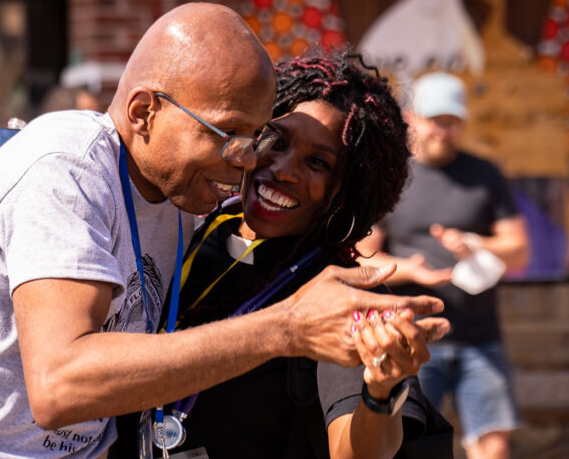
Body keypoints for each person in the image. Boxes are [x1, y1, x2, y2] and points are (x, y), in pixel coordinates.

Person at [0, 3, 445, 459]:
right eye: (243, 136)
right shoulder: (70, 172)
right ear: (143, 112)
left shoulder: (192, 202)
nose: (251, 161)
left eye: (318, 163)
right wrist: (284, 328)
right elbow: (59, 385)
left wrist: (381, 391)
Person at [111, 54, 452, 459]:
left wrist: (381, 392)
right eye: (276, 140)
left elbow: (354, 452)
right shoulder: (190, 228)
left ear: (344, 191)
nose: (284, 169)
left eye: (317, 162)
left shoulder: (338, 292)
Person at [358, 72, 529, 459]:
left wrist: (474, 243)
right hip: (411, 337)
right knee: (411, 446)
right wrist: (408, 269)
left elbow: (518, 251)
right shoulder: (392, 176)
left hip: (480, 337)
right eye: (437, 120)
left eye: (453, 121)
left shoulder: (485, 175)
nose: (445, 131)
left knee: (493, 446)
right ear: (412, 117)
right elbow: (363, 258)